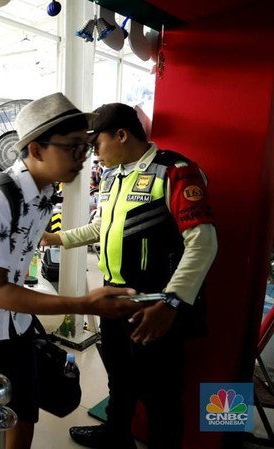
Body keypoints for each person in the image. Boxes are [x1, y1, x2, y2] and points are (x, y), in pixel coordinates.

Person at [0, 93, 144, 449]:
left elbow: (25, 249)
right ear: (36, 150)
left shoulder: (46, 190)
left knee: (25, 406)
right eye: (74, 148)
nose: (84, 159)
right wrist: (86, 303)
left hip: (17, 323)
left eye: (87, 147)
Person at [43, 103, 218, 449]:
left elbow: (203, 242)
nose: (95, 153)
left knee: (161, 392)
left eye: (97, 144)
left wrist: (171, 304)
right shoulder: (112, 177)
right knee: (119, 377)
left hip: (154, 305)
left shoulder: (175, 171)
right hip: (114, 300)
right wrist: (56, 238)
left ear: (121, 134)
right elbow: (101, 227)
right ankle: (116, 433)